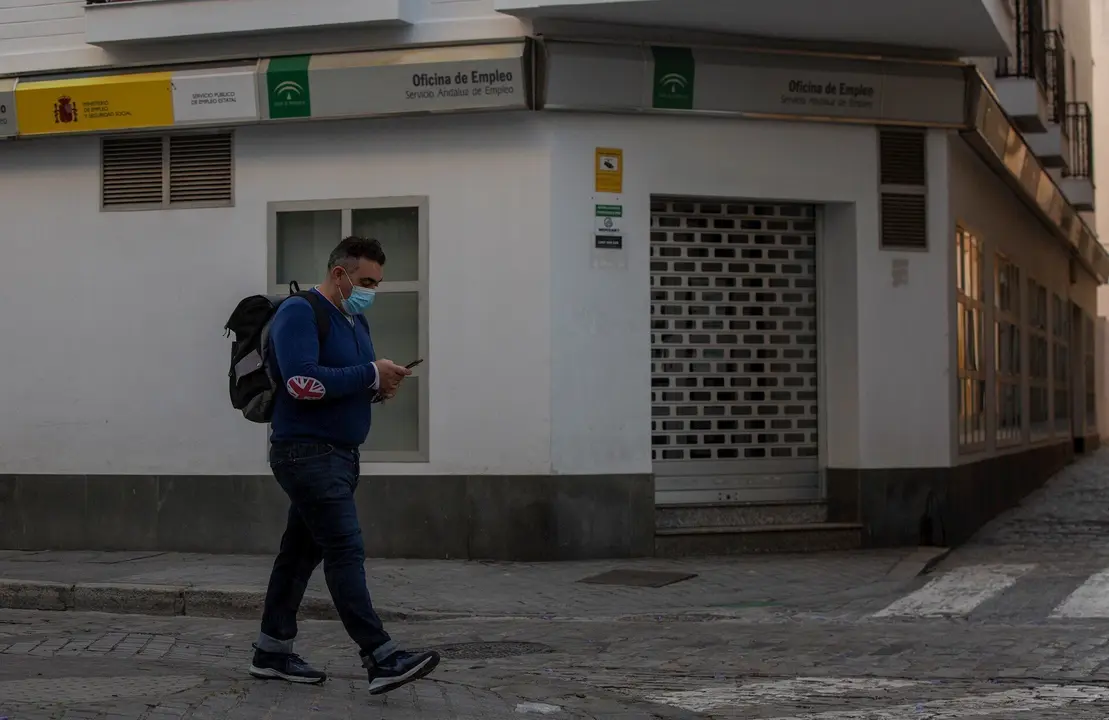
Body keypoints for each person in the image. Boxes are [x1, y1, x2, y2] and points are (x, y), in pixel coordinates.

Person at [248, 236, 439, 695]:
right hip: (306, 454)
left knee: (299, 556)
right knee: (344, 549)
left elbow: (345, 382)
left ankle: (271, 651)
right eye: (366, 280)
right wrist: (370, 373)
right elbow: (300, 383)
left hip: (339, 456)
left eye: (376, 282)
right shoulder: (300, 312)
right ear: (340, 274)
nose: (371, 289)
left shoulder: (356, 320)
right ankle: (381, 656)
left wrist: (380, 386)